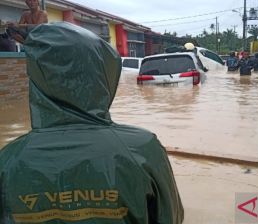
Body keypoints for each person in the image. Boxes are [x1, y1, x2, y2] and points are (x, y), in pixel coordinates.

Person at [0, 22, 184, 224]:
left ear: (36, 76)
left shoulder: (8, 160)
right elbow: (170, 217)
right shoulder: (143, 149)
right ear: (105, 75)